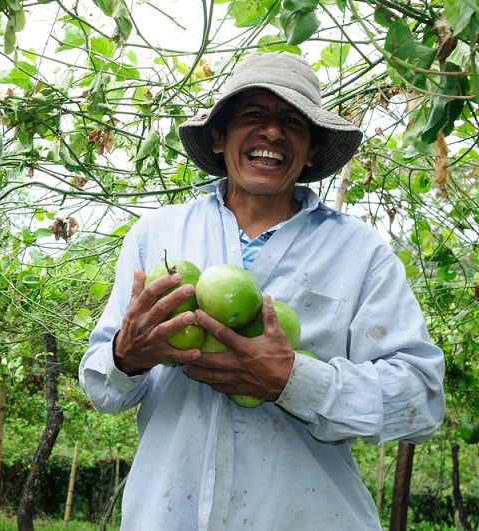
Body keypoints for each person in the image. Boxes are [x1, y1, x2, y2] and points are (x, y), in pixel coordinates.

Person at [79, 52, 445, 530]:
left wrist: (294, 381)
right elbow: (102, 387)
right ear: (218, 137)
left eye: (292, 121)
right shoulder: (156, 237)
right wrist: (126, 355)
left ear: (311, 149)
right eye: (253, 114)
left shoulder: (361, 253)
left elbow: (420, 399)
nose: (272, 132)